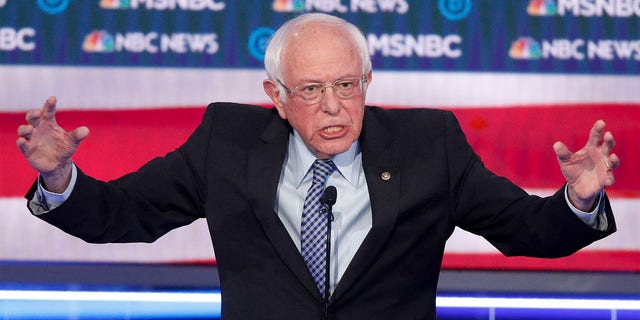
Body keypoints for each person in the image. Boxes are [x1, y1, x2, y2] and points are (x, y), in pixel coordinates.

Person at [16, 13, 619, 320]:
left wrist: (582, 200)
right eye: (310, 90)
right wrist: (58, 179)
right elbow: (125, 214)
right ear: (274, 95)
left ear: (368, 81)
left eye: (346, 84)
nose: (333, 106)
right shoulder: (226, 140)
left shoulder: (427, 143)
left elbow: (529, 230)